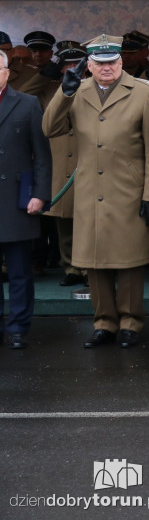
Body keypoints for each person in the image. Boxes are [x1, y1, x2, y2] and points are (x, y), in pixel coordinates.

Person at [41, 35, 149, 349]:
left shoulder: (143, 90)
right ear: (89, 66)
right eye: (99, 63)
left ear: (121, 62)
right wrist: (63, 93)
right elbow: (50, 129)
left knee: (129, 262)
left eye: (111, 62)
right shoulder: (76, 92)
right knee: (94, 261)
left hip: (128, 189)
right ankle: (104, 322)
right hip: (90, 190)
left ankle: (130, 322)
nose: (106, 68)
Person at [19, 41, 88, 287]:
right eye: (66, 64)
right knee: (64, 221)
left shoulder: (92, 88)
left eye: (75, 63)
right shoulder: (48, 89)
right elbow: (21, 95)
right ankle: (70, 267)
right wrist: (42, 75)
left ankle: (88, 268)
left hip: (86, 161)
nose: (71, 68)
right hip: (58, 161)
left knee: (88, 219)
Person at [0, 50, 52, 349]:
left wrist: (40, 194)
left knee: (20, 271)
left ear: (7, 73)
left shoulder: (28, 103)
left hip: (16, 200)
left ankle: (18, 326)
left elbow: (42, 156)